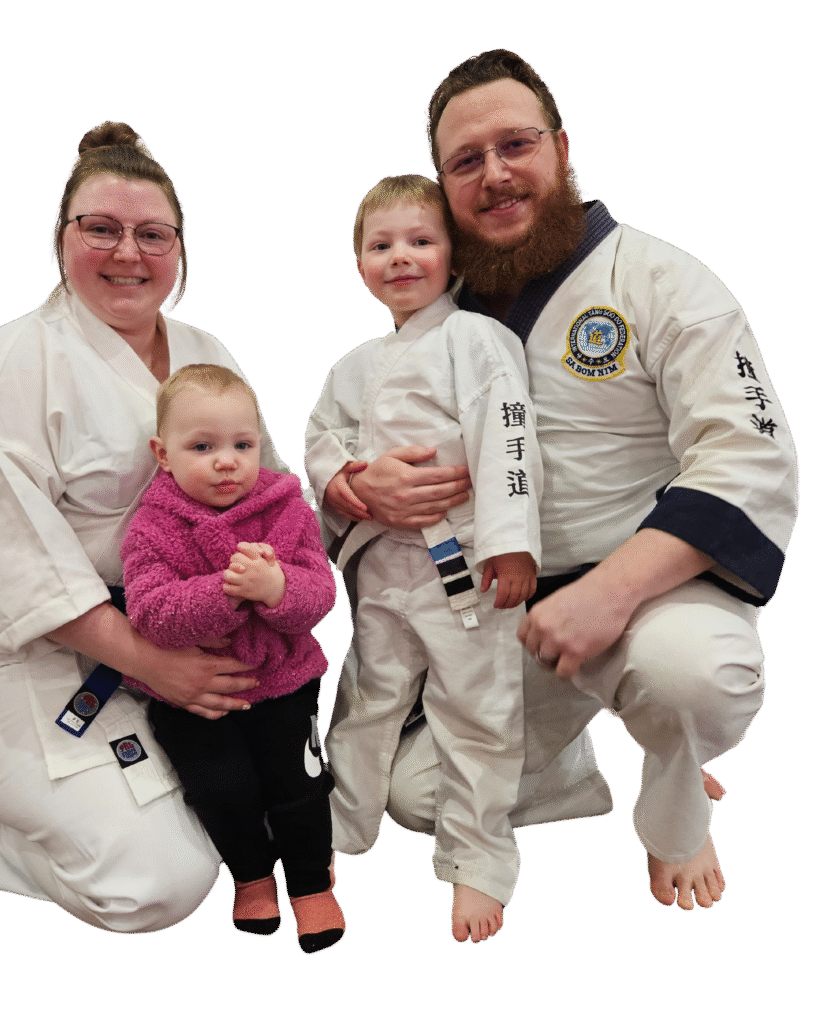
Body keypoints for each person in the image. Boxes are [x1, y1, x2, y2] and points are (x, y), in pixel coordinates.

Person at [317, 50, 798, 913]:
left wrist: (609, 594)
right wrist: (356, 484)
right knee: (417, 797)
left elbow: (748, 455)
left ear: (563, 148)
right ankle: (581, 747)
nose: (494, 175)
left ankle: (677, 797)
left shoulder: (659, 279)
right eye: (466, 161)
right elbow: (350, 432)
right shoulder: (433, 302)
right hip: (497, 615)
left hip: (645, 591)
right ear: (442, 185)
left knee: (688, 680)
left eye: (515, 145)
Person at [0, 122, 290, 933]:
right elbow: (12, 551)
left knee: (255, 808)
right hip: (27, 654)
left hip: (176, 631)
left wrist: (358, 489)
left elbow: (267, 490)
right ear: (62, 239)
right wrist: (158, 663)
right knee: (162, 883)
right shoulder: (12, 359)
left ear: (178, 249)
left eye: (152, 234)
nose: (128, 253)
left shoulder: (203, 350)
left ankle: (50, 795)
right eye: (101, 229)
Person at [306, 175, 540, 942]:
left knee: (476, 710)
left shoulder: (477, 341)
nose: (400, 257)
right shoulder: (350, 365)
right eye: (381, 245)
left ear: (453, 255)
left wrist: (511, 544)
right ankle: (337, 829)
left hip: (465, 564)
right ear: (358, 263)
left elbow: (509, 440)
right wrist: (340, 480)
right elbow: (320, 443)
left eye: (420, 241)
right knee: (366, 698)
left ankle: (478, 862)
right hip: (382, 566)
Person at [120, 364, 343, 952]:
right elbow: (148, 611)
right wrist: (224, 593)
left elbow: (319, 593)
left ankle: (312, 881)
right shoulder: (151, 526)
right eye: (203, 446)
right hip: (190, 700)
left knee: (299, 783)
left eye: (243, 445)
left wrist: (276, 590)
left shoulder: (288, 508)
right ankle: (250, 874)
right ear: (162, 454)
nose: (227, 461)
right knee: (222, 789)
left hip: (282, 682)